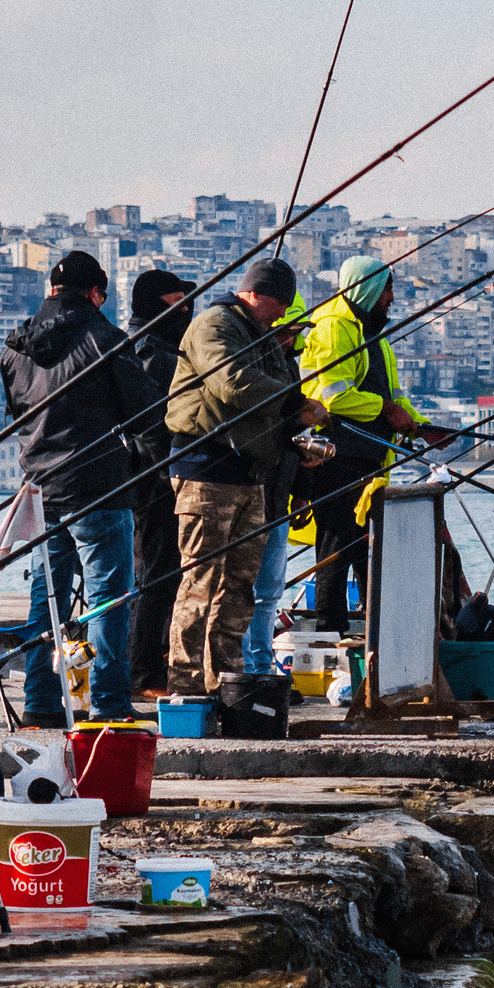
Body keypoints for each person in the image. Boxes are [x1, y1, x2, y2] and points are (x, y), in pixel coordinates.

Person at [0, 251, 167, 725]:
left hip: (37, 492)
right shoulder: (105, 339)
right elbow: (147, 412)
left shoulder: (13, 347)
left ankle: (39, 703)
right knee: (107, 599)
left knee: (44, 601)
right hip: (98, 489)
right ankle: (108, 703)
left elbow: (17, 411)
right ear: (96, 294)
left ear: (50, 292)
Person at [164, 259, 326, 697]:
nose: (281, 314)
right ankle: (187, 682)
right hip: (206, 472)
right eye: (278, 304)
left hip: (251, 475)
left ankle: (227, 679)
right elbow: (232, 383)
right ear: (255, 293)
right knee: (201, 581)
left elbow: (270, 399)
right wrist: (295, 401)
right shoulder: (213, 325)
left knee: (240, 587)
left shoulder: (262, 336)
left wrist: (297, 440)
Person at [298, 255, 445, 632]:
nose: (392, 298)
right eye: (387, 290)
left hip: (370, 460)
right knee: (335, 545)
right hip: (335, 455)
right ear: (367, 290)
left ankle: (371, 626)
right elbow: (333, 398)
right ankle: (328, 627)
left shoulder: (372, 334)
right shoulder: (334, 328)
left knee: (366, 544)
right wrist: (387, 410)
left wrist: (421, 427)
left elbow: (393, 394)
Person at [126, 270, 194, 700]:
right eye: (176, 303)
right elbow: (152, 425)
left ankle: (155, 665)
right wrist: (166, 472)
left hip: (156, 476)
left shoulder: (159, 347)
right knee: (157, 575)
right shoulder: (151, 352)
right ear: (154, 305)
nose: (186, 311)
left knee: (160, 573)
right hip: (154, 481)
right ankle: (145, 672)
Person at [244, 297, 320, 677]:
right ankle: (247, 664)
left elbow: (297, 433)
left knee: (270, 589)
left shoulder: (289, 368)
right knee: (245, 588)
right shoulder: (249, 365)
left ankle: (261, 664)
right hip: (251, 492)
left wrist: (303, 488)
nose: (292, 340)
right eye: (286, 332)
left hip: (281, 494)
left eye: (296, 333)